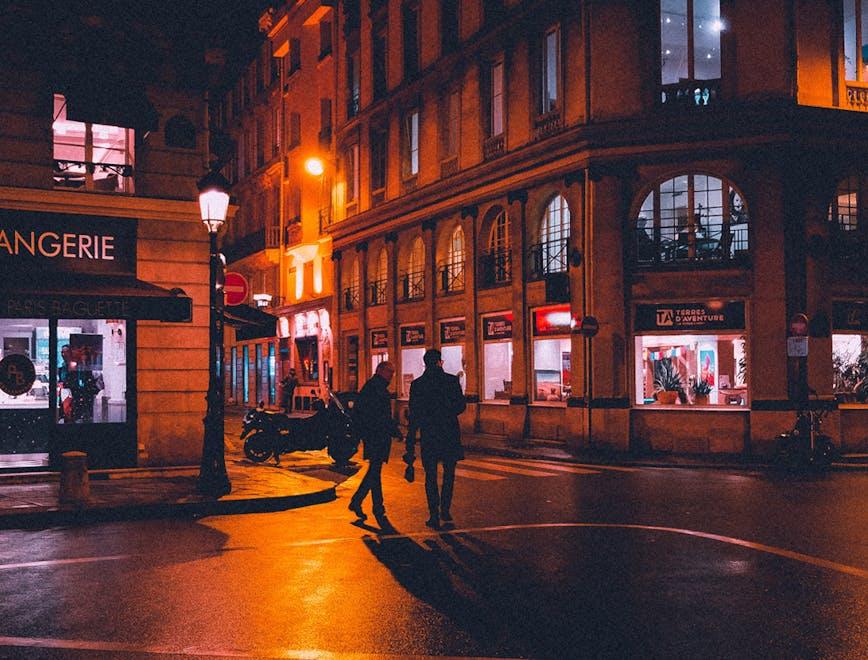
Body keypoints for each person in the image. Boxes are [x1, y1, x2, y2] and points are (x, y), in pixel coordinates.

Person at [405, 348, 466, 530]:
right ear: (440, 362)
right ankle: (445, 509)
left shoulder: (418, 385)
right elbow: (461, 406)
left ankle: (433, 513)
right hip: (449, 433)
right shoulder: (451, 381)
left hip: (429, 435)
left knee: (430, 476)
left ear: (425, 363)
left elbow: (414, 415)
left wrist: (410, 442)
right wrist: (447, 412)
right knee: (449, 474)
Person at [348, 360, 402, 530]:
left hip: (372, 435)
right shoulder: (377, 389)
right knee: (375, 470)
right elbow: (382, 416)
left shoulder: (371, 386)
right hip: (377, 435)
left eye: (393, 373)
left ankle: (369, 504)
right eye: (389, 372)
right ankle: (364, 503)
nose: (391, 376)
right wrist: (395, 431)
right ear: (380, 371)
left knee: (375, 470)